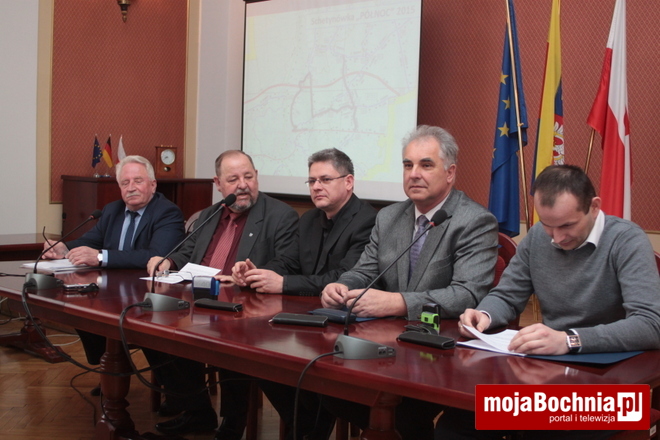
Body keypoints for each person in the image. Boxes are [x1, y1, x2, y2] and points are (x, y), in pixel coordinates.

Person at [439, 164, 660, 440]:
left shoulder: (627, 240)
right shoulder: (537, 238)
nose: (557, 238)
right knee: (456, 425)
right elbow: (506, 295)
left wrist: (569, 340)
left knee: (546, 431)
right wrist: (484, 315)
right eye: (547, 225)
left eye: (567, 225)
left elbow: (650, 325)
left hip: (613, 385)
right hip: (550, 376)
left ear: (594, 207)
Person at [320, 125, 499, 440]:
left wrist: (398, 302)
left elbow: (467, 294)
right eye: (408, 165)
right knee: (330, 387)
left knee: (402, 412)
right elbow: (365, 270)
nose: (414, 174)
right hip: (391, 346)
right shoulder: (389, 217)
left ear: (450, 173)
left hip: (443, 355)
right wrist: (342, 286)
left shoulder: (474, 221)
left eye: (426, 165)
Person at [144, 150, 299, 439]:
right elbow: (188, 251)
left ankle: (232, 422)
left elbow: (287, 262)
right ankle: (197, 411)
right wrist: (168, 261)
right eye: (233, 179)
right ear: (218, 183)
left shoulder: (280, 215)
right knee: (156, 329)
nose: (243, 185)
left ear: (257, 177)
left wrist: (250, 274)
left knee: (230, 340)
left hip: (246, 308)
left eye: (248, 177)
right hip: (199, 300)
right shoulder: (211, 214)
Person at [231, 148, 377, 439]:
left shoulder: (368, 220)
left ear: (348, 182)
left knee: (313, 375)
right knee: (262, 360)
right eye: (312, 181)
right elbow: (288, 262)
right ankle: (305, 427)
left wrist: (283, 284)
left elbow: (342, 278)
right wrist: (257, 272)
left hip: (346, 327)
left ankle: (307, 430)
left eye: (325, 179)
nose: (316, 187)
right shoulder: (309, 219)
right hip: (304, 319)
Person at [42, 155, 185, 366]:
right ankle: (108, 363)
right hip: (112, 289)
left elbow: (155, 254)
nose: (131, 188)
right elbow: (90, 241)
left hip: (148, 291)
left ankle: (116, 366)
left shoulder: (167, 212)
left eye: (138, 181)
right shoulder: (112, 210)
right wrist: (64, 248)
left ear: (153, 185)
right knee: (80, 307)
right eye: (125, 183)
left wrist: (100, 257)